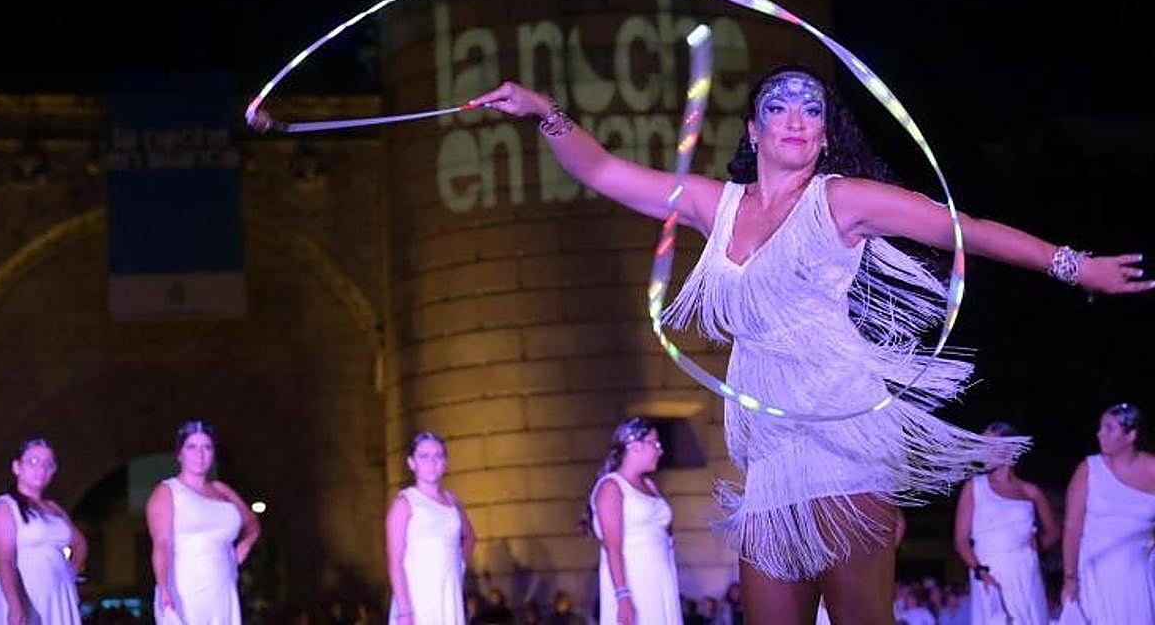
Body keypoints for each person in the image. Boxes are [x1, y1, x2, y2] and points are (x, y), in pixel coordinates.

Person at [474, 70, 1151, 625]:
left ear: (825, 136)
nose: (797, 116)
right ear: (754, 129)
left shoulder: (843, 200)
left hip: (841, 437)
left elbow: (963, 229)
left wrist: (1073, 264)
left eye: (812, 109)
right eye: (780, 105)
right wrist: (541, 111)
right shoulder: (719, 205)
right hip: (771, 458)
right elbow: (603, 172)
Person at [145, 420, 260, 625]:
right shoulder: (167, 491)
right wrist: (162, 586)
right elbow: (161, 543)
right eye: (192, 447)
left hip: (223, 585)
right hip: (186, 587)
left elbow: (252, 521)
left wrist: (246, 543)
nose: (200, 454)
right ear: (180, 454)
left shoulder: (221, 489)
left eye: (207, 447)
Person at [1058, 403, 1155, 624]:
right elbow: (1072, 528)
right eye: (1101, 427)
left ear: (1130, 434)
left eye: (1109, 428)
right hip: (1095, 574)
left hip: (1139, 576)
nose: (1099, 433)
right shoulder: (1089, 469)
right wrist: (1070, 577)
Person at [954, 422, 1057, 624]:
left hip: (1025, 570)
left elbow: (1053, 531)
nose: (985, 451)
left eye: (991, 445)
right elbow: (961, 540)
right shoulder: (974, 487)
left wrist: (1039, 544)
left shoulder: (1030, 491)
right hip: (989, 571)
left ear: (1009, 447)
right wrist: (979, 570)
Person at [586, 417, 682, 625]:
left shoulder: (649, 485)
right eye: (654, 443)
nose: (660, 450)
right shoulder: (612, 487)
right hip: (635, 580)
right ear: (635, 446)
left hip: (660, 578)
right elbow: (613, 546)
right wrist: (623, 596)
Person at [0, 438, 86, 625]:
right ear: (17, 467)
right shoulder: (5, 506)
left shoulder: (54, 508)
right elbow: (5, 562)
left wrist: (70, 572)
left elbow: (79, 543)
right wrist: (15, 606)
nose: (41, 468)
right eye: (33, 462)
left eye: (48, 464)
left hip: (58, 593)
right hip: (26, 592)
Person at [385, 432, 476, 624]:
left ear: (445, 463)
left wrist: (457, 567)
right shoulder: (404, 503)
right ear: (412, 462)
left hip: (448, 595)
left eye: (438, 456)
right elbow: (395, 562)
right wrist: (405, 611)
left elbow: (469, 537)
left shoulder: (453, 501)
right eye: (424, 456)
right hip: (417, 599)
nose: (432, 462)